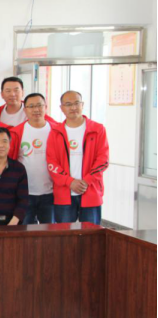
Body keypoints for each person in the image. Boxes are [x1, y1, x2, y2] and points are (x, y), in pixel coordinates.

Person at [47, 91, 109, 225]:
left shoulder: (97, 129)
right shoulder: (55, 132)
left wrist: (86, 181)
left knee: (91, 233)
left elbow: (103, 160)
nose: (73, 107)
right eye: (68, 104)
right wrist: (70, 182)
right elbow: (51, 162)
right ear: (61, 108)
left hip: (90, 190)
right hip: (64, 193)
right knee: (64, 234)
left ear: (82, 105)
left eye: (76, 103)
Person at [9, 93, 56, 224]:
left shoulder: (57, 130)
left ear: (45, 107)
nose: (36, 109)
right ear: (25, 109)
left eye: (39, 105)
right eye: (31, 106)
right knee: (25, 231)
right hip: (25, 193)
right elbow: (11, 161)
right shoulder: (16, 132)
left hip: (51, 192)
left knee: (50, 231)